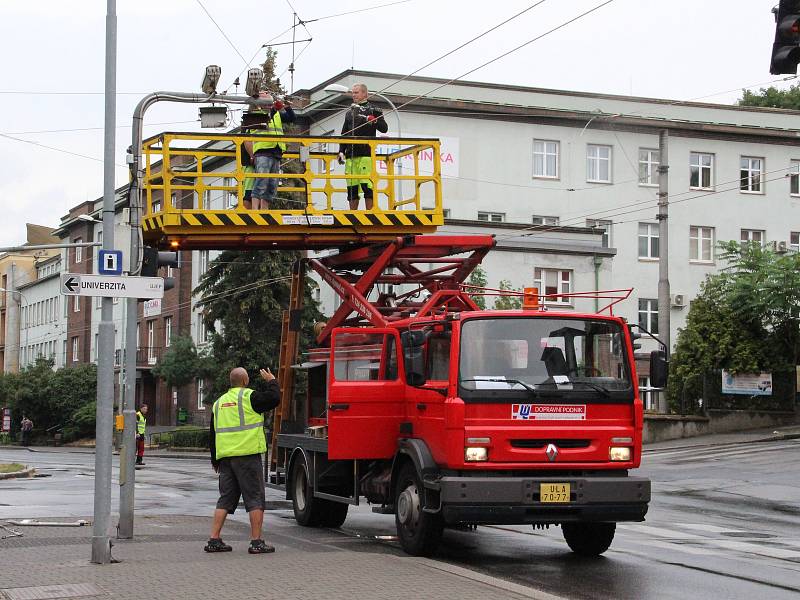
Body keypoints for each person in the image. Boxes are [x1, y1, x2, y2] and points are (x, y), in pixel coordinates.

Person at [205, 367, 281, 554]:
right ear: (245, 381)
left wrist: (215, 459)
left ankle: (213, 540)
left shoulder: (219, 403)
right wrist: (272, 381)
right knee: (255, 498)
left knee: (225, 499)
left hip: (225, 459)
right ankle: (256, 542)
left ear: (230, 382)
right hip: (247, 456)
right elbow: (274, 399)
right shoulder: (250, 397)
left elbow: (212, 434)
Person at [337, 83, 388, 210]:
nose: (353, 95)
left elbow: (384, 128)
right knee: (352, 188)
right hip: (350, 155)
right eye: (353, 93)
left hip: (366, 154)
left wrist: (375, 120)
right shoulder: (349, 113)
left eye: (356, 92)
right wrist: (341, 151)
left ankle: (369, 213)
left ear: (365, 94)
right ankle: (353, 215)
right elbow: (344, 134)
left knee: (367, 186)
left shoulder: (375, 109)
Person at [243, 91, 295, 210]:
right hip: (263, 151)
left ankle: (264, 209)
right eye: (266, 101)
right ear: (259, 103)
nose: (269, 104)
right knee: (261, 180)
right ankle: (256, 209)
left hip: (276, 151)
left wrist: (287, 106)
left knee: (272, 184)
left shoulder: (276, 114)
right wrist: (276, 108)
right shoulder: (256, 114)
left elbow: (292, 118)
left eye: (270, 102)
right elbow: (267, 117)